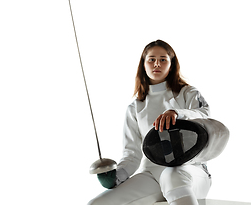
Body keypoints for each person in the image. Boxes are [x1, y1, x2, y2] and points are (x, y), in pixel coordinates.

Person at [88, 40, 211, 205]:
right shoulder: (135, 107)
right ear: (143, 64)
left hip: (191, 171)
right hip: (152, 176)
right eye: (151, 59)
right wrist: (115, 177)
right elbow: (131, 155)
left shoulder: (187, 93)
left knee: (172, 176)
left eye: (163, 59)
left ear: (171, 64)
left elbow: (204, 115)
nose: (157, 64)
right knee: (97, 204)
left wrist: (177, 113)